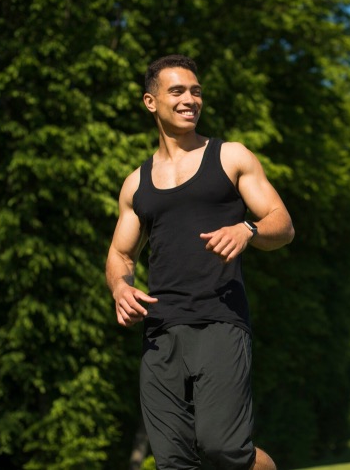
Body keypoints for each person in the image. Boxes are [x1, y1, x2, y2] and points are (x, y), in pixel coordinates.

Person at [105, 54, 294, 470]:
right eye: (177, 91)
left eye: (196, 91)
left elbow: (282, 224)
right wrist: (120, 286)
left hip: (220, 320)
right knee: (172, 461)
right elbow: (120, 253)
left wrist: (249, 230)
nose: (190, 99)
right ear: (151, 102)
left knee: (222, 447)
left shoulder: (231, 157)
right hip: (160, 329)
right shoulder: (136, 182)